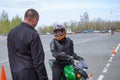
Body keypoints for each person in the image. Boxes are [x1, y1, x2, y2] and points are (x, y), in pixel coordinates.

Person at [7, 9, 48, 80]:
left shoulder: (11, 32)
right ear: (35, 19)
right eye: (37, 21)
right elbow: (38, 61)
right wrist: (44, 78)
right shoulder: (33, 34)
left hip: (15, 74)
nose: (36, 24)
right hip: (30, 75)